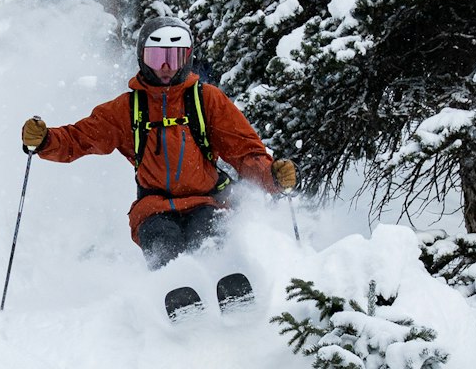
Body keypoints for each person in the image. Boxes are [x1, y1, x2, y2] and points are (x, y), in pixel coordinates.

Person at [21, 19, 298, 268]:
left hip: (207, 201)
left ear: (187, 58)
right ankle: (175, 289)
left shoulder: (206, 99)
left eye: (175, 57)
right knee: (165, 247)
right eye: (156, 57)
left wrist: (271, 175)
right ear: (143, 58)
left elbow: (245, 151)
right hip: (154, 208)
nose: (165, 67)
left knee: (210, 241)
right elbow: (80, 138)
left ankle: (230, 284)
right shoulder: (129, 108)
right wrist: (45, 141)